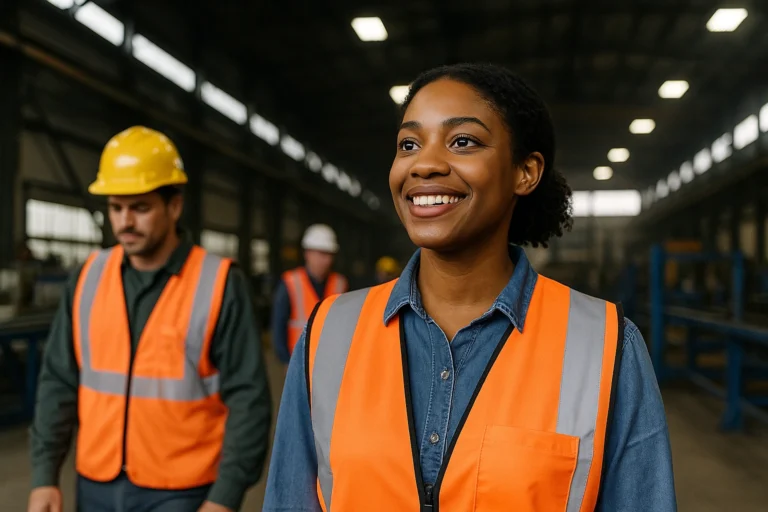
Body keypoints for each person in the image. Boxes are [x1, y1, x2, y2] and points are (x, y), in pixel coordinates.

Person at [263, 63, 676, 511]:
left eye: (463, 141)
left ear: (526, 172)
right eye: (409, 144)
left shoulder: (606, 345)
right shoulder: (328, 334)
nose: (425, 163)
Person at [28, 126, 272, 512]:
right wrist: (44, 476)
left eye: (140, 207)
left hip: (183, 490)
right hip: (96, 483)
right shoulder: (87, 278)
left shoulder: (220, 284)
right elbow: (58, 380)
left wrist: (224, 497)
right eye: (115, 207)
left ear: (174, 206)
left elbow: (249, 399)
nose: (125, 221)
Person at [270, 224, 347, 364]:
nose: (326, 260)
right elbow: (278, 326)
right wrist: (286, 362)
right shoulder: (290, 283)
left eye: (329, 255)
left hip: (331, 363)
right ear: (307, 253)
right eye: (321, 254)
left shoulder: (340, 284)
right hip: (298, 362)